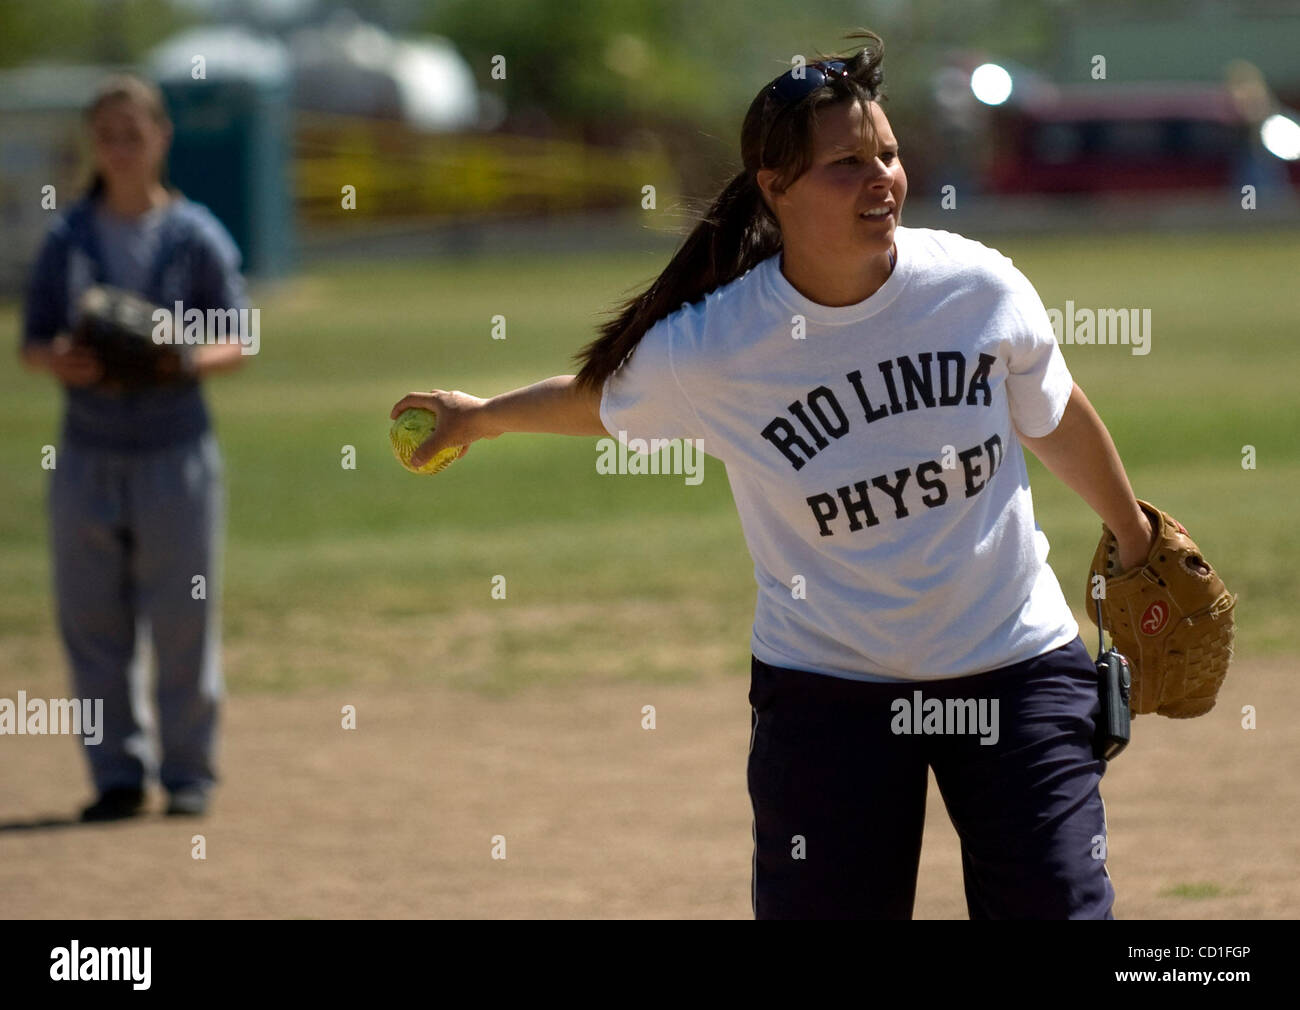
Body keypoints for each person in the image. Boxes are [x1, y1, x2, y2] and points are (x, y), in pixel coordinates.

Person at [389, 31, 1155, 919]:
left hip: (1014, 664)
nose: (882, 179)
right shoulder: (719, 345)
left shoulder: (977, 289)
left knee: (1058, 907)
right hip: (831, 692)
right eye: (846, 164)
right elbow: (595, 398)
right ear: (774, 187)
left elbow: (1052, 410)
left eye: (890, 154)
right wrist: (479, 419)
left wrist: (1135, 539)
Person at [20, 73, 248, 821]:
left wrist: (178, 355)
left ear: (161, 138)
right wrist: (62, 359)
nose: (120, 148)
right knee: (92, 621)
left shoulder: (195, 236)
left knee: (183, 616)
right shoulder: (69, 237)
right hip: (87, 451)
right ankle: (116, 775)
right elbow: (31, 342)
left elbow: (239, 337)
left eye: (133, 133)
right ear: (95, 145)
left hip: (174, 449)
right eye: (107, 135)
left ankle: (188, 774)